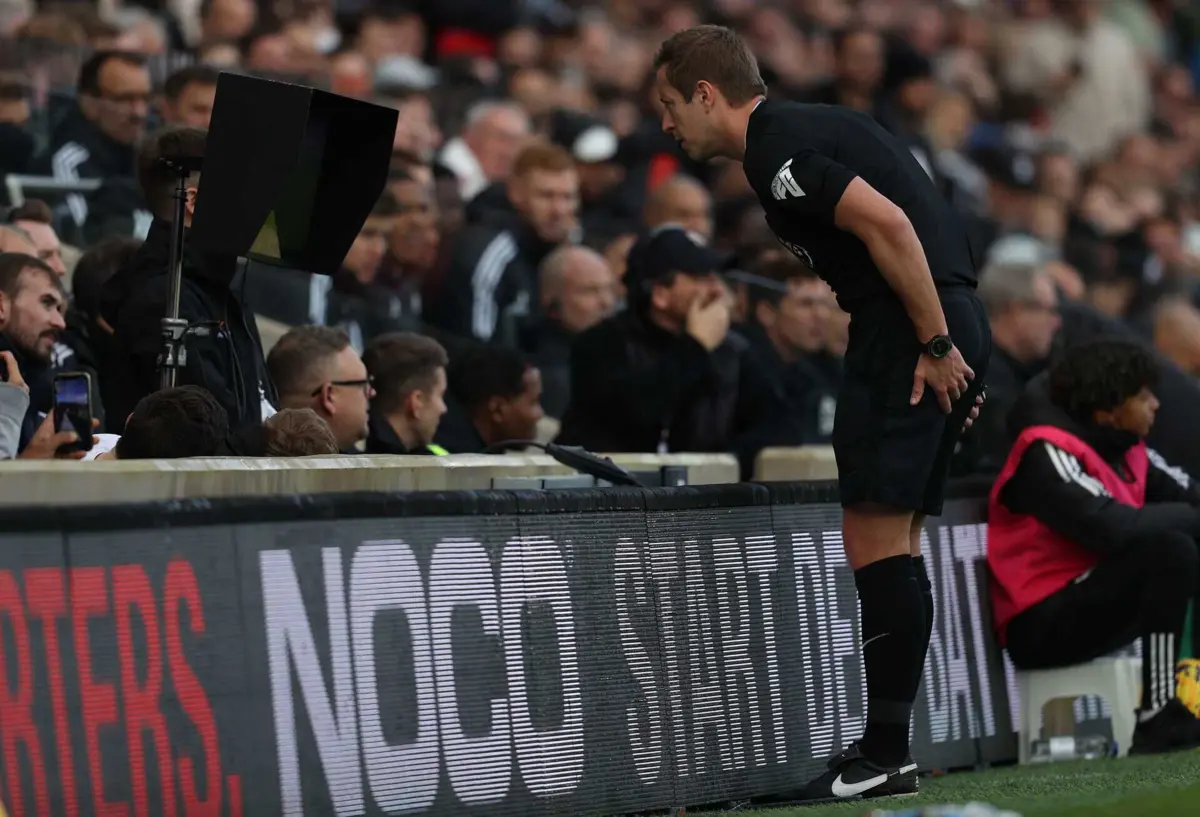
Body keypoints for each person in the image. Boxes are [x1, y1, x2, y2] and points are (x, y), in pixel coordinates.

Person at [652, 25, 990, 800]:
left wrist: (934, 341)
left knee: (874, 532)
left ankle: (881, 754)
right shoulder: (813, 125)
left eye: (673, 105)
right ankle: (888, 750)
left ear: (708, 94)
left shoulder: (777, 149)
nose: (667, 125)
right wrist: (956, 339)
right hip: (942, 315)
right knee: (899, 536)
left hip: (909, 327)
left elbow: (892, 226)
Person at [989, 340, 1200, 752]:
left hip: (1089, 601)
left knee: (1179, 546)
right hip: (1039, 623)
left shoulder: (1129, 447)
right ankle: (1158, 710)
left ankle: (1184, 691)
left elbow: (1191, 498)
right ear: (1107, 410)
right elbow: (1110, 526)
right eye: (1142, 397)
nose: (1156, 404)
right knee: (1169, 551)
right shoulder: (1045, 451)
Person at [362, 332, 450, 455]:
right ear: (417, 401)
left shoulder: (353, 452)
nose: (443, 409)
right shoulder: (388, 469)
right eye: (440, 395)